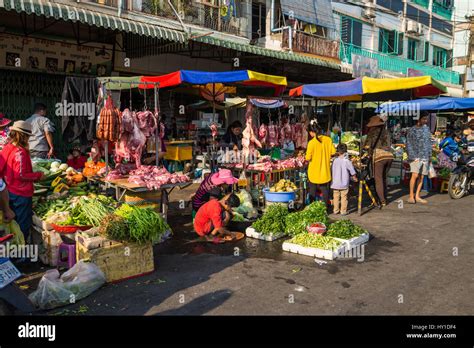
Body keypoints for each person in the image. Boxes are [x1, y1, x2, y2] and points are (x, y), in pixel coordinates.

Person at [0, 121, 45, 240]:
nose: (29, 139)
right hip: (20, 193)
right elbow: (21, 175)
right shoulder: (19, 152)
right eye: (28, 136)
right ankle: (22, 253)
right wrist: (38, 175)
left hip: (9, 190)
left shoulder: (8, 147)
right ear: (23, 136)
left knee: (14, 224)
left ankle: (15, 249)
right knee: (22, 225)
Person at [364, 116, 394, 206]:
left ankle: (382, 200)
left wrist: (366, 152)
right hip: (389, 156)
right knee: (384, 178)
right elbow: (389, 144)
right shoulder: (386, 132)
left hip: (379, 157)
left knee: (378, 179)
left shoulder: (372, 133)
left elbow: (367, 146)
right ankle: (384, 196)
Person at [305, 120, 335, 204]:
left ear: (312, 132)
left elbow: (308, 158)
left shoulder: (311, 143)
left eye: (309, 132)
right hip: (325, 170)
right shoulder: (328, 140)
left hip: (313, 171)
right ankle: (325, 208)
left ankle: (312, 207)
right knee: (325, 190)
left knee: (312, 190)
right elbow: (333, 152)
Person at [406, 113, 432, 204]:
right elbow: (408, 144)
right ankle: (410, 196)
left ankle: (417, 196)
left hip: (425, 156)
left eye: (426, 119)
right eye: (424, 119)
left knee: (422, 177)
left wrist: (430, 155)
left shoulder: (426, 129)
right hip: (415, 157)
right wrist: (412, 156)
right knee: (415, 175)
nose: (426, 121)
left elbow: (429, 143)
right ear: (418, 119)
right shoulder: (412, 130)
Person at [331, 143, 357, 215]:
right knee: (344, 197)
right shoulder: (347, 161)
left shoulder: (334, 160)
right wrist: (354, 177)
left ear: (338, 151)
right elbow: (352, 171)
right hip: (344, 183)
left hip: (335, 183)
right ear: (346, 151)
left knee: (335, 197)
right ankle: (343, 211)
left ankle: (335, 210)